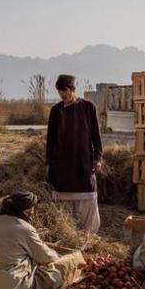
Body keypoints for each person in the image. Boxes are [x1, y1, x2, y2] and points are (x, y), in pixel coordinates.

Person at [46, 74, 103, 233]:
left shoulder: (88, 107)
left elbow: (96, 136)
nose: (62, 96)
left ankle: (88, 234)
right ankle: (67, 232)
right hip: (61, 163)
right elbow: (50, 139)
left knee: (88, 194)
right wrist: (48, 162)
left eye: (65, 92)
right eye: (59, 93)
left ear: (72, 89)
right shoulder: (56, 111)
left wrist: (97, 157)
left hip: (83, 161)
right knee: (62, 197)